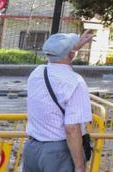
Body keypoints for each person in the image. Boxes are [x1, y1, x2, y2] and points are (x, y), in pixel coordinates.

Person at [25, 32, 95, 172]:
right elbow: (71, 128)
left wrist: (72, 49)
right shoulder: (75, 82)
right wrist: (80, 166)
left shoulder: (37, 73)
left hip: (32, 148)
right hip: (58, 152)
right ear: (71, 55)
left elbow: (57, 62)